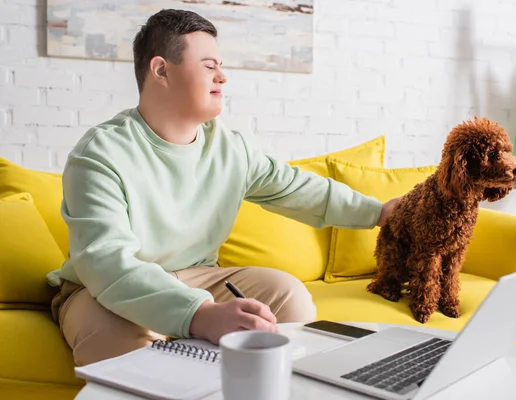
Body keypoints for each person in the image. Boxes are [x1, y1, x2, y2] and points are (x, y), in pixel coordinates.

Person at [47, 9, 400, 366]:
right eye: (208, 65)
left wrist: (378, 212)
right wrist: (200, 314)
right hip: (100, 288)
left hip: (197, 275)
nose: (223, 76)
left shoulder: (230, 147)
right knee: (124, 339)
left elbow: (296, 188)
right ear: (161, 70)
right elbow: (108, 263)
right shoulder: (99, 153)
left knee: (288, 295)